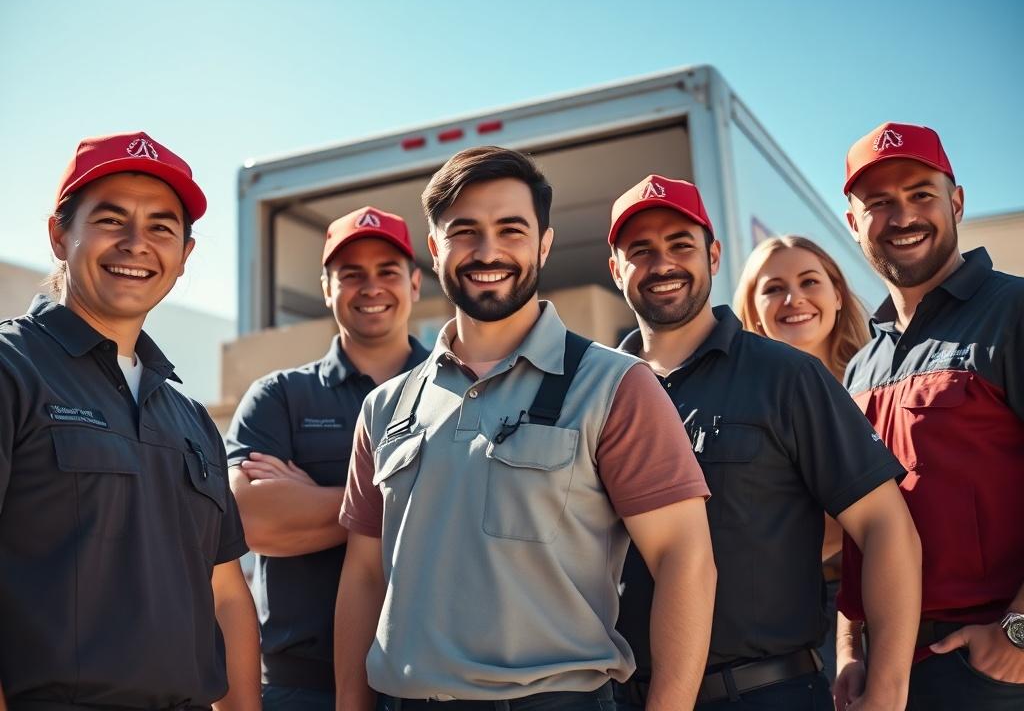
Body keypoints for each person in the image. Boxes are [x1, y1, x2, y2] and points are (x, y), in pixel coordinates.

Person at [334, 146, 716, 711]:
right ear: (435, 249)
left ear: (544, 243)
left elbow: (686, 559)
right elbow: (365, 575)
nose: (488, 251)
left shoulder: (614, 385)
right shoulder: (387, 405)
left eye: (511, 230)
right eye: (464, 232)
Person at [606, 175, 920, 710]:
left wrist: (887, 689)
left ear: (714, 254)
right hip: (617, 696)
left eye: (681, 245)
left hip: (765, 694)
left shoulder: (786, 376)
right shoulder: (597, 390)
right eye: (641, 251)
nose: (663, 264)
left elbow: (886, 525)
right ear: (616, 269)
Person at [0, 132, 260, 709]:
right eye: (112, 220)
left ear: (184, 256)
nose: (137, 244)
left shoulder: (189, 418)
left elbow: (225, 596)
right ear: (59, 236)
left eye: (162, 228)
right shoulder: (11, 370)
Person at [837, 121, 1024, 710]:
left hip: (989, 668)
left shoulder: (1013, 311)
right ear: (853, 223)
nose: (903, 217)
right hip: (887, 674)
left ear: (957, 202)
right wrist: (850, 648)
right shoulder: (860, 366)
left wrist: (1017, 635)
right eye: (880, 204)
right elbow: (857, 525)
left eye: (921, 194)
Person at [226, 206, 429, 710]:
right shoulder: (279, 397)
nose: (371, 287)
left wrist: (309, 501)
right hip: (299, 686)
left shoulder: (458, 389)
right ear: (326, 288)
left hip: (434, 679)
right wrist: (421, 498)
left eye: (387, 272)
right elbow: (250, 521)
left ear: (416, 284)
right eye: (351, 274)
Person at [732, 234, 870, 683]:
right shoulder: (739, 403)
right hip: (789, 613)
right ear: (752, 311)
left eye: (810, 281)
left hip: (891, 602)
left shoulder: (880, 381)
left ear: (836, 292)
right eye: (773, 288)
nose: (794, 299)